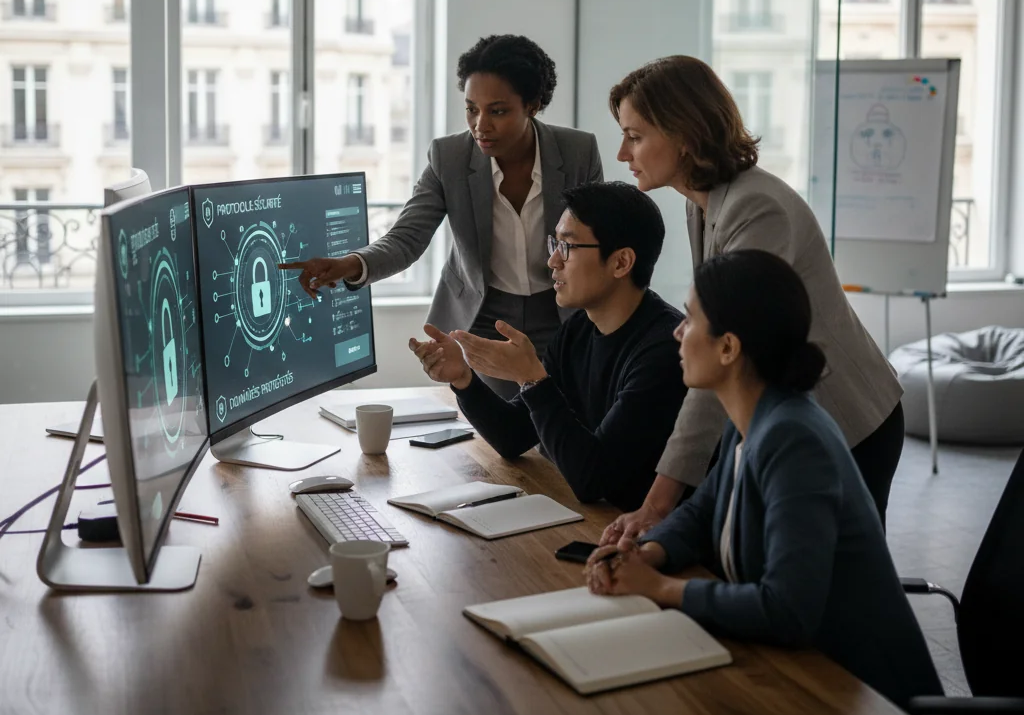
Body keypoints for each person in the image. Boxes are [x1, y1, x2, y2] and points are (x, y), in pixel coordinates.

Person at [585, 249, 942, 712]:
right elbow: (702, 511)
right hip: (798, 677)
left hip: (868, 705)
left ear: (729, 347)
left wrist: (660, 588)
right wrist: (647, 553)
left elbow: (787, 609)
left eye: (690, 320)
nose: (677, 331)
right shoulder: (753, 416)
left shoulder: (795, 440)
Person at [602, 55, 904, 541]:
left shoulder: (755, 208)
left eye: (634, 136)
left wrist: (658, 502)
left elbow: (726, 351)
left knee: (827, 590)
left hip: (846, 417)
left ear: (684, 134)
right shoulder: (700, 203)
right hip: (788, 417)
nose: (622, 153)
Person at [281, 34, 603, 397]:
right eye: (471, 108)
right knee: (497, 440)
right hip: (484, 318)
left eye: (497, 111)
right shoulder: (449, 157)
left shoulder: (577, 151)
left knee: (562, 429)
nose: (481, 124)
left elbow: (598, 243)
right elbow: (407, 238)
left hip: (562, 311)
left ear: (533, 104)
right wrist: (350, 263)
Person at [408, 182, 685, 511]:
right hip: (593, 520)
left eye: (567, 246)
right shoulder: (579, 328)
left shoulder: (665, 350)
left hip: (635, 537)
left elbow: (593, 480)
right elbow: (514, 436)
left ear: (621, 262)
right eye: (555, 243)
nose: (552, 261)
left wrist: (532, 379)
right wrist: (464, 380)